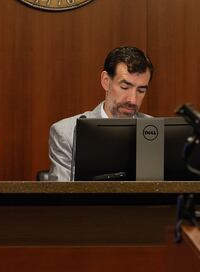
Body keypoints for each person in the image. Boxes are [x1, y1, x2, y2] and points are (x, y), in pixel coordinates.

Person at [48, 46, 154, 181]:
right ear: (106, 81)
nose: (132, 100)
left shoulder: (156, 130)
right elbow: (62, 197)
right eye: (125, 87)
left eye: (141, 90)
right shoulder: (66, 133)